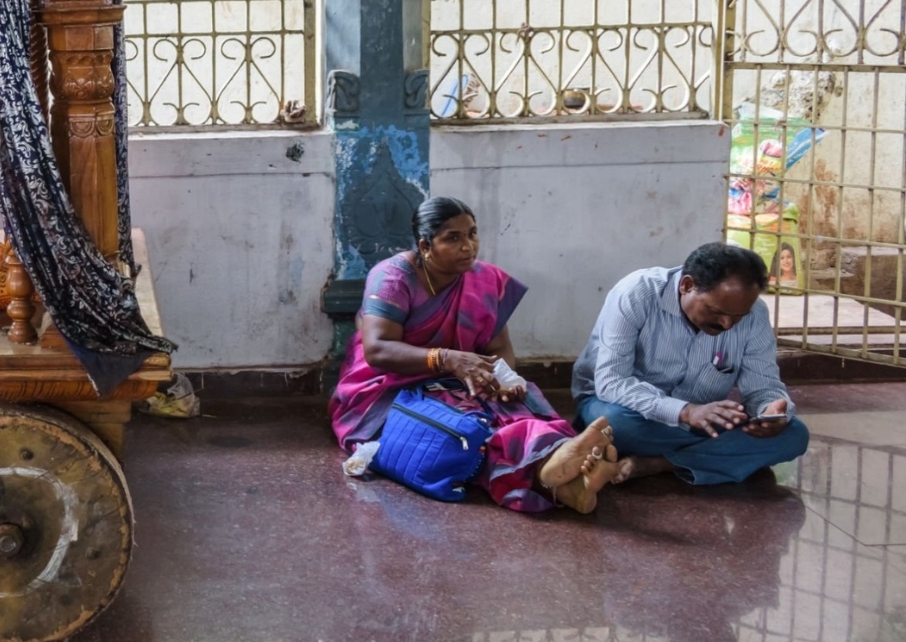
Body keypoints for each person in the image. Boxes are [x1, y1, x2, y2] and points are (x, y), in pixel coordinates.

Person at [331, 197, 620, 513]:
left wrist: (502, 379)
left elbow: (499, 350)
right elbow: (377, 350)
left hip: (460, 380)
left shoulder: (486, 280)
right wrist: (447, 359)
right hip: (388, 390)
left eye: (472, 234)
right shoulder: (393, 278)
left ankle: (565, 483)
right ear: (426, 245)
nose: (468, 246)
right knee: (460, 431)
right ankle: (547, 470)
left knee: (513, 406)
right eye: (452, 238)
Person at [572, 242, 810, 485]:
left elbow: (763, 387)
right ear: (687, 286)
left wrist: (769, 412)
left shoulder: (755, 314)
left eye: (738, 317)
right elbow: (612, 382)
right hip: (626, 411)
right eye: (716, 311)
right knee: (614, 424)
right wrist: (685, 411)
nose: (726, 324)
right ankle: (716, 455)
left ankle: (661, 463)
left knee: (794, 435)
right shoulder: (637, 293)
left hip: (702, 420)